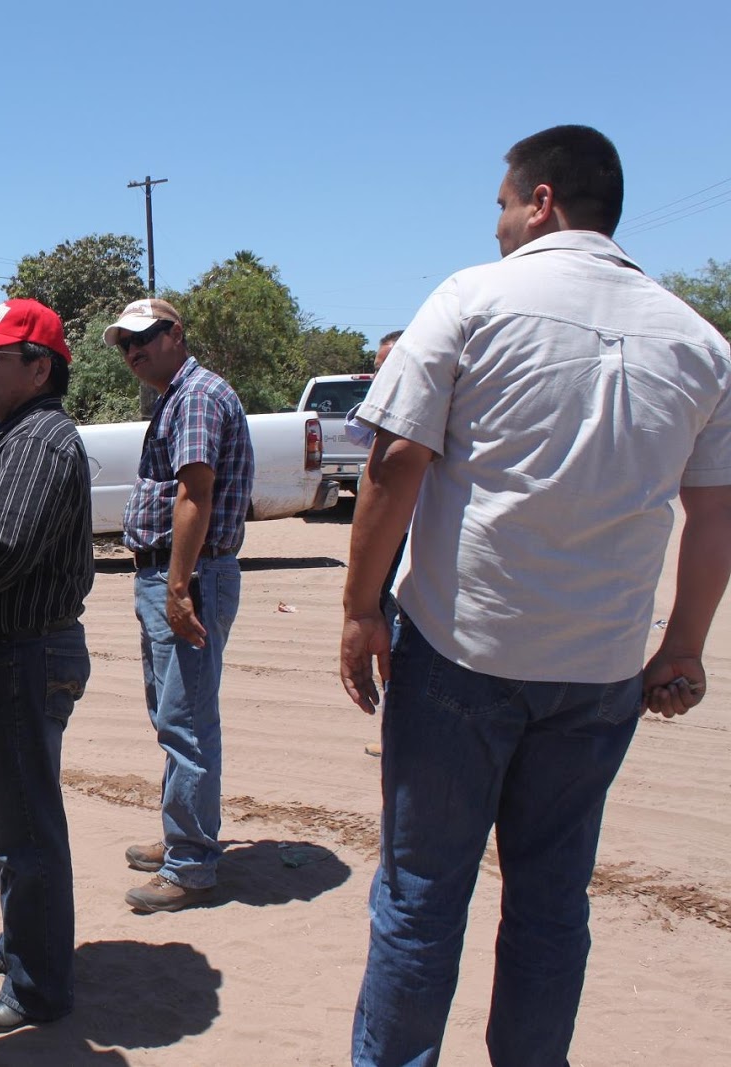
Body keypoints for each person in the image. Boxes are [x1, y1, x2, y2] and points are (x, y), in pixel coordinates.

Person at [339, 125, 731, 1067]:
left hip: (460, 653)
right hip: (598, 674)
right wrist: (682, 647)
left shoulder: (473, 298)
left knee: (423, 898)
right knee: (552, 901)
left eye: (506, 206)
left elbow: (395, 461)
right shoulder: (699, 342)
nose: (503, 222)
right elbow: (713, 515)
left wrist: (359, 609)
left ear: (542, 199)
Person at [0, 299, 93, 1034]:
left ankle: (37, 986)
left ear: (40, 368)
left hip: (22, 655)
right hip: (18, 652)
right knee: (20, 817)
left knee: (28, 825)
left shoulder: (37, 441)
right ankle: (23, 942)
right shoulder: (22, 433)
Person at [105, 297, 255, 914]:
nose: (134, 350)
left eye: (145, 337)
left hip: (187, 577)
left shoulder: (194, 397)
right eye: (125, 343)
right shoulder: (179, 394)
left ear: (176, 333)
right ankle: (181, 840)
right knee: (175, 717)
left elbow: (195, 492)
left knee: (187, 722)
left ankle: (191, 864)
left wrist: (175, 586)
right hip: (178, 575)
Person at [346, 328, 404, 758]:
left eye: (390, 368)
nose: (380, 377)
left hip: (408, 551)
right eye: (378, 369)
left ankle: (402, 732)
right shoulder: (383, 418)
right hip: (390, 556)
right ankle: (394, 731)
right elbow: (355, 428)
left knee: (399, 639)